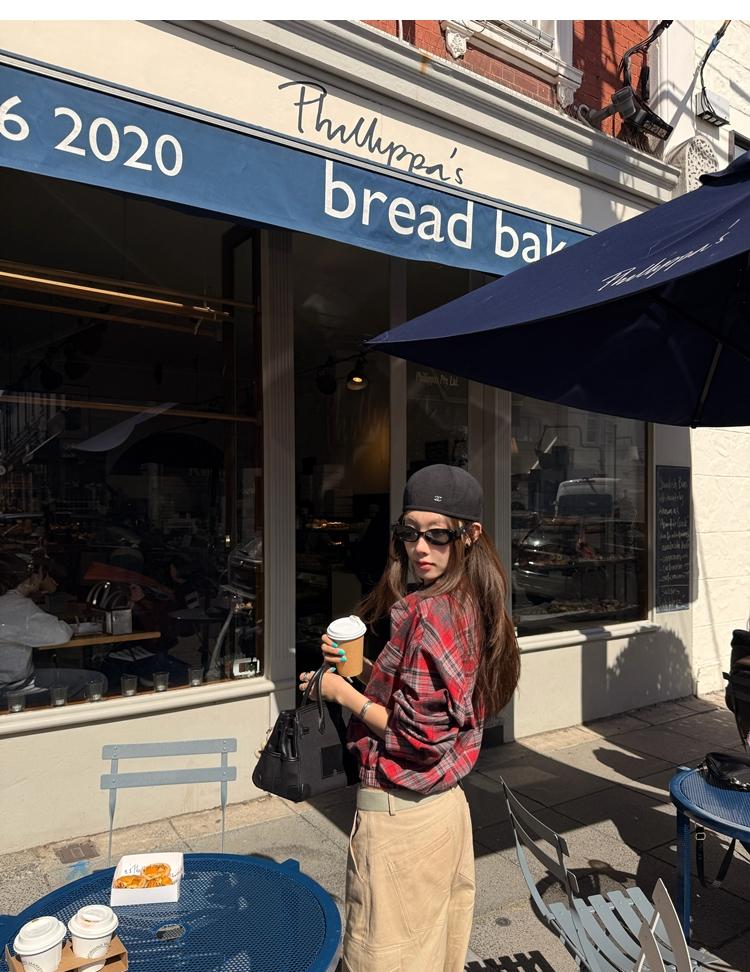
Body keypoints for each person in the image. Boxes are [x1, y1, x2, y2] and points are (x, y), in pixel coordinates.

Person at [299, 464, 521, 971]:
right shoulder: (473, 602)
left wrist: (340, 692)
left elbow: (416, 738)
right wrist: (364, 670)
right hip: (445, 812)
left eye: (437, 535)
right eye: (409, 532)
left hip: (402, 820)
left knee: (381, 959)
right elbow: (428, 702)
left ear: (470, 535)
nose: (420, 548)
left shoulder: (431, 614)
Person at [0, 563, 107, 706]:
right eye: (41, 575)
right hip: (10, 687)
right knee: (96, 680)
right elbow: (60, 634)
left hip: (8, 681)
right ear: (31, 579)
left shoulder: (9, 603)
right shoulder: (16, 605)